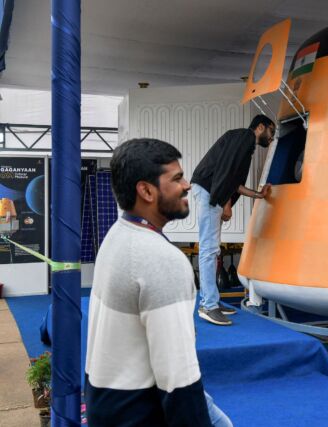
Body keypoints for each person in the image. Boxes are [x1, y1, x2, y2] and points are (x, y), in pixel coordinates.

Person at [85, 139, 232, 427]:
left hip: (108, 400)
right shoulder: (161, 259)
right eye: (177, 178)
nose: (188, 185)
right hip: (138, 407)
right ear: (147, 191)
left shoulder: (118, 235)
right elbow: (178, 378)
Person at [192, 114, 275, 326]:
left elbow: (235, 182)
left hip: (211, 190)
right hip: (210, 191)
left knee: (212, 249)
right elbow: (226, 172)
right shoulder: (244, 138)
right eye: (271, 131)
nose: (272, 137)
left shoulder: (243, 142)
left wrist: (259, 195)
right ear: (260, 127)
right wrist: (224, 203)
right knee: (209, 249)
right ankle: (208, 306)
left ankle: (212, 301)